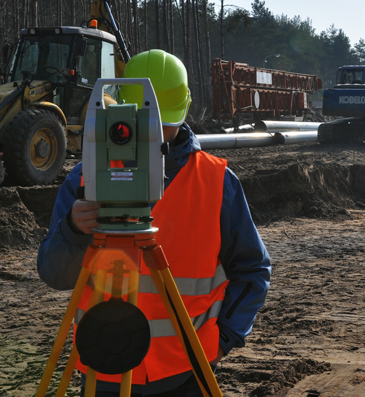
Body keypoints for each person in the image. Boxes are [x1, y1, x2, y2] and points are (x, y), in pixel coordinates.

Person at [37, 49, 271, 396]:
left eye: (163, 122)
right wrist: (72, 231)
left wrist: (224, 340)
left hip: (185, 370)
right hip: (104, 367)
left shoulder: (217, 181)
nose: (154, 132)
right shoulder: (86, 180)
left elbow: (252, 270)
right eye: (147, 120)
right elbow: (54, 275)